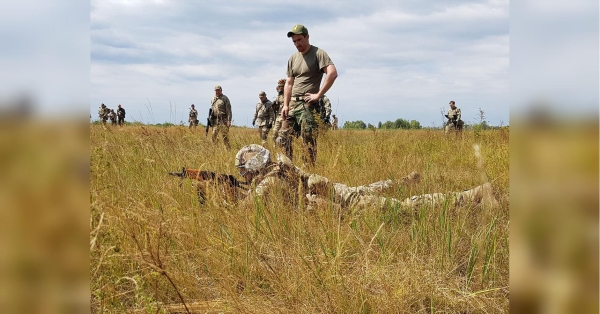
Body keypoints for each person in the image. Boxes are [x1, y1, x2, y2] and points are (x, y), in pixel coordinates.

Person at [169, 145, 499, 212]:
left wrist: (219, 197)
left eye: (245, 170)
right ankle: (404, 178)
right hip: (333, 193)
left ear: (255, 167)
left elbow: (245, 215)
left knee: (403, 210)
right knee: (364, 190)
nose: (242, 175)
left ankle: (473, 194)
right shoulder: (280, 166)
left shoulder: (269, 183)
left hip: (336, 206)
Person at [278, 24, 338, 167]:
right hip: (292, 104)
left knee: (308, 143)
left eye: (299, 40)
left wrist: (318, 94)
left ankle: (309, 175)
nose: (297, 44)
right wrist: (285, 105)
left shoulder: (318, 54)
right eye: (294, 42)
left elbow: (332, 73)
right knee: (282, 138)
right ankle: (288, 171)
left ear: (307, 37)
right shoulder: (293, 58)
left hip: (307, 106)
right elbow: (289, 83)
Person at [270, 79, 286, 143]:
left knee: (282, 134)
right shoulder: (279, 95)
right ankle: (275, 147)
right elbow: (276, 105)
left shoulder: (289, 95)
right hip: (278, 116)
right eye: (279, 86)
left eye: (282, 86)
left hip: (285, 116)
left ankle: (282, 147)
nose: (280, 88)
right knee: (274, 133)